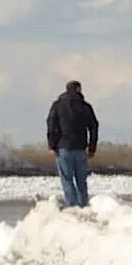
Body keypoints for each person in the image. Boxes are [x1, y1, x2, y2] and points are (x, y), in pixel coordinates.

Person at [47, 80, 99, 208]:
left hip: (63, 147)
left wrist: (52, 145)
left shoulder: (57, 105)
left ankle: (72, 207)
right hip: (81, 148)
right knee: (81, 180)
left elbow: (51, 125)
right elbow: (94, 126)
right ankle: (83, 206)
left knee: (67, 179)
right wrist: (92, 148)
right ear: (79, 90)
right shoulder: (85, 106)